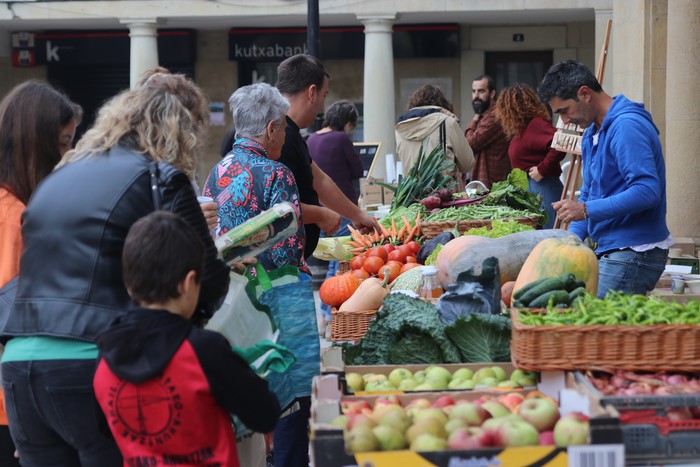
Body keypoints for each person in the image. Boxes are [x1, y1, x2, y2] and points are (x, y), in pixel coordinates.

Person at [0, 71, 230, 466]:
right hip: (92, 364)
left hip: (19, 366)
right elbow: (206, 280)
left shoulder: (58, 177)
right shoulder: (162, 179)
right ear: (180, 132)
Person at [93, 210, 280, 466]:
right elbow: (264, 414)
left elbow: (105, 430)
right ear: (189, 282)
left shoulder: (106, 353)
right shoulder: (204, 350)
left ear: (129, 285)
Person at [538, 60, 671, 298]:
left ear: (585, 94)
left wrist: (585, 210)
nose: (565, 121)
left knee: (595, 330)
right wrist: (569, 242)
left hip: (634, 252)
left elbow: (647, 190)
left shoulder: (626, 126)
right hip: (614, 250)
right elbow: (589, 193)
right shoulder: (591, 133)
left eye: (564, 111)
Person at [0, 81, 81, 467]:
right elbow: (15, 317)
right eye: (65, 142)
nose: (70, 155)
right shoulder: (16, 218)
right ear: (37, 144)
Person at [275, 54, 379, 262]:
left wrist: (358, 216)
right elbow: (274, 207)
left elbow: (320, 180)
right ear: (312, 92)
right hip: (279, 267)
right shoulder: (278, 136)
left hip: (294, 260)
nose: (323, 106)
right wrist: (321, 215)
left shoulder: (293, 134)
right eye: (324, 95)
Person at [203, 82, 306, 273]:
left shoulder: (216, 171)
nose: (285, 137)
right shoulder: (277, 173)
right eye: (284, 129)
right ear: (271, 129)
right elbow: (287, 252)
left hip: (228, 285)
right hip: (266, 290)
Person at [307, 100, 364, 332]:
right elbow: (358, 170)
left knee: (329, 261)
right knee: (339, 264)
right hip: (342, 209)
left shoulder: (311, 139)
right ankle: (329, 317)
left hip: (319, 210)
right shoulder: (341, 138)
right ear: (347, 123)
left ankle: (325, 317)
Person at [495, 83, 565, 229]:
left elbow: (559, 144)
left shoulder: (535, 125)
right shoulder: (522, 129)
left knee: (548, 234)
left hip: (543, 186)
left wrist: (542, 169)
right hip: (533, 189)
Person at [395, 84, 474, 189]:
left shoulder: (401, 128)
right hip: (443, 196)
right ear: (442, 104)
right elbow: (468, 163)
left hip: (412, 196)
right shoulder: (447, 123)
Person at [465, 74, 511, 188]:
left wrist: (473, 121)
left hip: (491, 185)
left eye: (481, 91)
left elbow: (469, 144)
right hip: (484, 182)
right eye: (474, 91)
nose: (476, 96)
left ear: (492, 94)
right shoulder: (485, 116)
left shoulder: (495, 116)